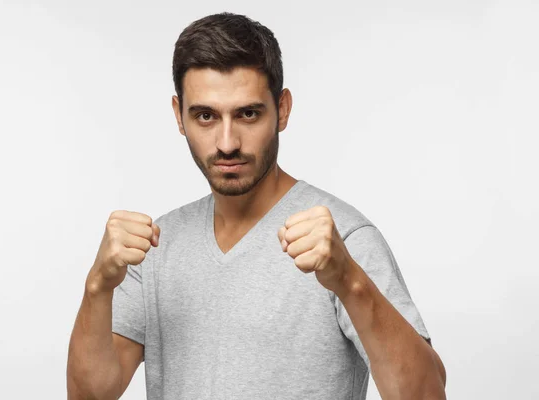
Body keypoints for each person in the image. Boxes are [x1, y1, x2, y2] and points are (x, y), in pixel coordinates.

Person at [67, 12, 447, 400]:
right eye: (206, 116)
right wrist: (97, 286)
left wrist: (350, 281)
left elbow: (427, 395)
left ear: (282, 109)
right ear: (179, 116)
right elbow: (90, 395)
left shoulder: (344, 239)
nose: (227, 142)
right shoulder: (155, 249)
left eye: (248, 114)